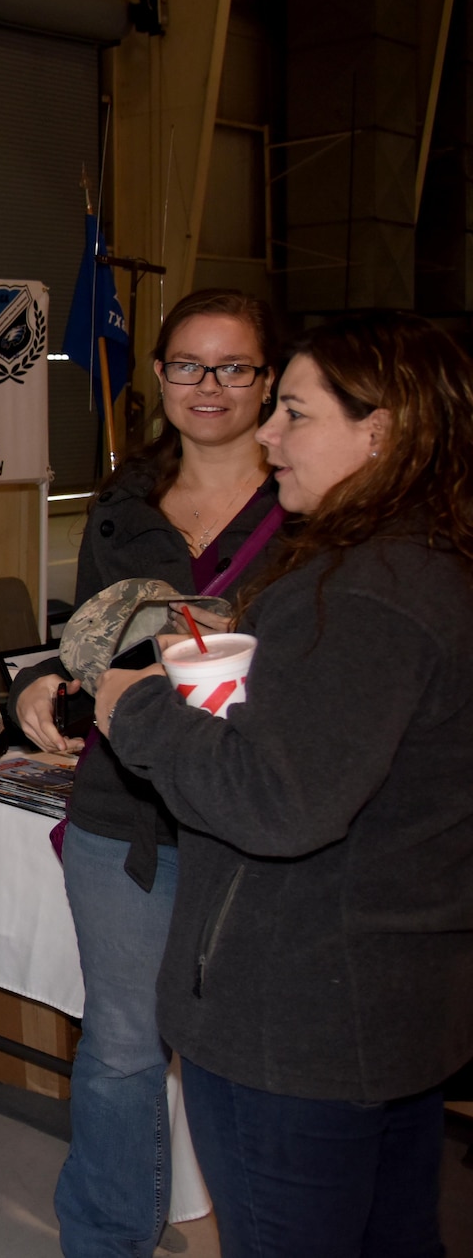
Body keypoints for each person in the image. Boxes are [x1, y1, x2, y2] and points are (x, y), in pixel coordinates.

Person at [96, 311, 473, 1257]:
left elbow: (276, 801)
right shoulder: (432, 566)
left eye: (294, 412)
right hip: (388, 1002)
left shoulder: (361, 590)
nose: (268, 433)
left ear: (380, 431)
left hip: (296, 1020)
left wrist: (133, 711)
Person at [11, 289, 284, 1257]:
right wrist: (43, 684)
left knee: (251, 1053)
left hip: (256, 820)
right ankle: (105, 1241)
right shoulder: (121, 504)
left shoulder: (312, 507)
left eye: (231, 367)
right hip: (122, 816)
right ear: (157, 375)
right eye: (184, 366)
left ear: (266, 380)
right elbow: (83, 636)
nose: (205, 387)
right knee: (122, 1050)